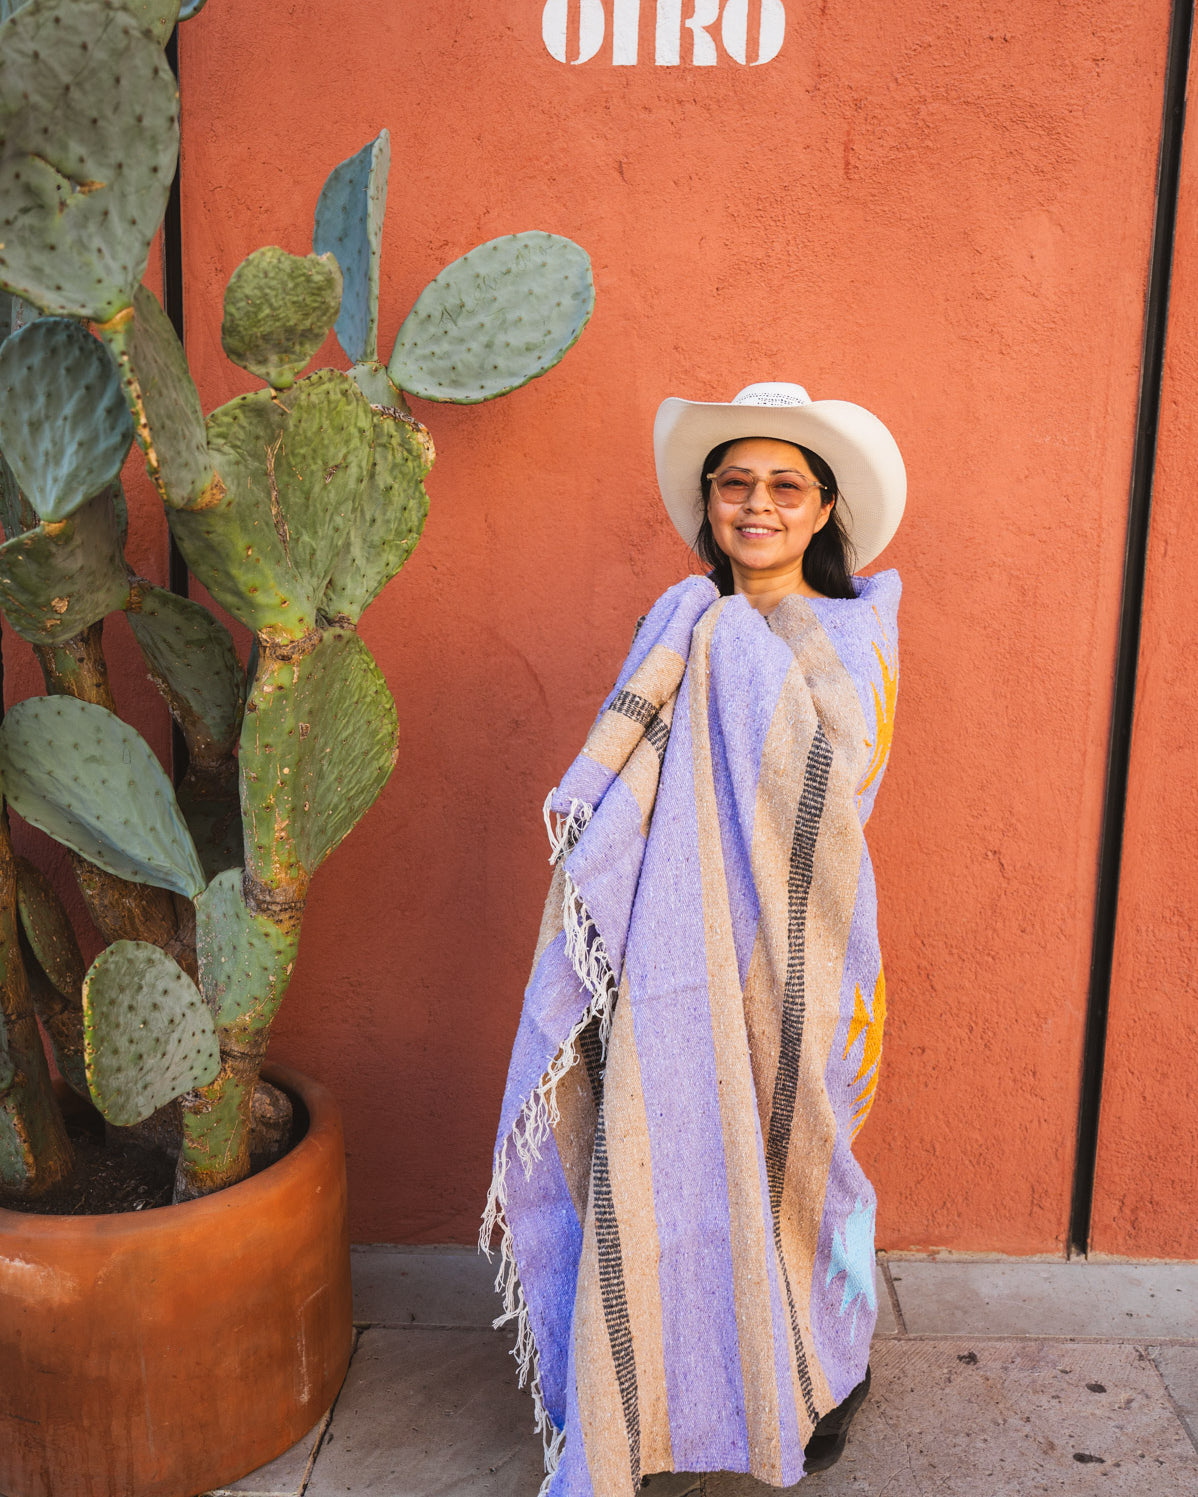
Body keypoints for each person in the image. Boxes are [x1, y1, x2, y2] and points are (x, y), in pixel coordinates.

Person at [482, 382, 906, 1496]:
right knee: (673, 1155)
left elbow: (838, 779)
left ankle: (829, 1360)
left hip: (801, 948)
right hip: (668, 949)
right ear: (708, 503)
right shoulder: (677, 625)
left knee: (807, 1163)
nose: (755, 504)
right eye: (734, 483)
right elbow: (636, 792)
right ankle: (674, 1373)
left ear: (822, 512)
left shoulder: (844, 636)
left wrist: (724, 644)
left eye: (783, 486)